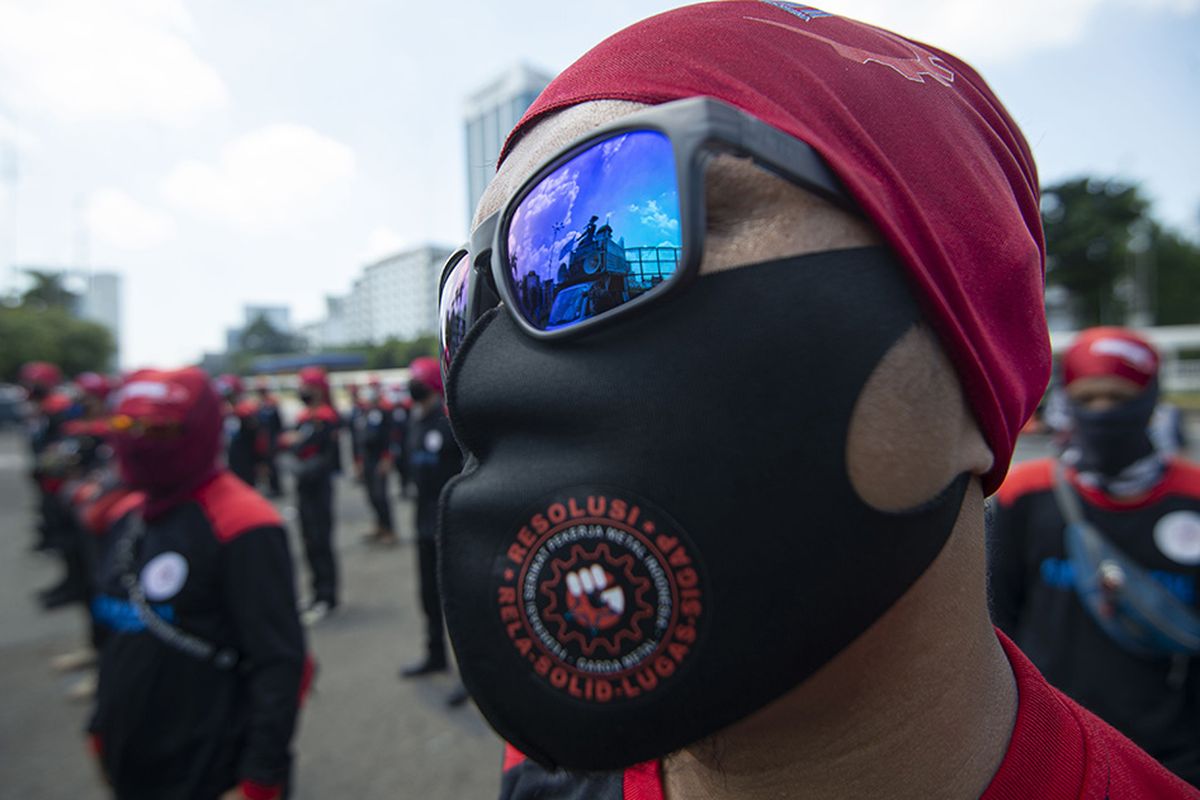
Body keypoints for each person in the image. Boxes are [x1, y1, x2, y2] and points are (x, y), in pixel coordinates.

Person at [432, 3, 1199, 798]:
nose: (503, 350)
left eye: (617, 199)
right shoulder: (540, 784)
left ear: (972, 343)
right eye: (468, 300)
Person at [990, 326, 1200, 786]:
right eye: (1088, 397)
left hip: (1169, 759)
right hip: (1051, 750)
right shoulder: (1026, 495)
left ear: (1150, 399)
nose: (1103, 412)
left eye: (1119, 396)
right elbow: (997, 619)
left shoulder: (1192, 498)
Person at [89, 367, 307, 800]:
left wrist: (260, 778)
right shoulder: (124, 514)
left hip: (212, 767)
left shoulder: (243, 523)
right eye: (126, 426)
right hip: (132, 757)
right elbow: (109, 639)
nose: (139, 440)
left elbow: (280, 663)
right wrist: (100, 725)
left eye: (158, 428)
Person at [399, 356, 462, 678]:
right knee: (427, 594)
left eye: (418, 381)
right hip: (421, 520)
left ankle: (469, 673)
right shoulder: (414, 422)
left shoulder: (448, 422)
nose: (413, 387)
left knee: (457, 598)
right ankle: (434, 655)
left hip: (447, 523)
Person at [284, 366, 341, 625]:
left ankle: (327, 596)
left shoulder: (326, 418)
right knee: (308, 541)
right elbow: (293, 447)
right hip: (304, 486)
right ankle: (316, 592)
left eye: (306, 386)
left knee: (321, 540)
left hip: (318, 487)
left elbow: (313, 452)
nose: (302, 391)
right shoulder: (305, 417)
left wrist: (296, 446)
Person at [355, 378, 397, 546]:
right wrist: (358, 461)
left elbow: (391, 437)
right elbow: (358, 439)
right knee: (371, 495)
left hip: (380, 459)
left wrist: (387, 459)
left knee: (381, 496)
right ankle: (379, 525)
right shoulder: (364, 412)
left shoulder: (385, 411)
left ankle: (390, 529)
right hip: (367, 459)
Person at [255, 380, 285, 498]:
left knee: (274, 464)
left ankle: (277, 488)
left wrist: (279, 437)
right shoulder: (259, 405)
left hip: (272, 438)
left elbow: (278, 422)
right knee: (266, 464)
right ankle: (271, 487)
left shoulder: (272, 403)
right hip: (263, 440)